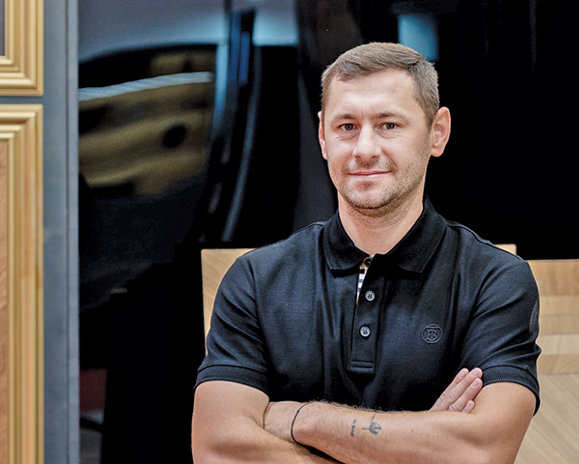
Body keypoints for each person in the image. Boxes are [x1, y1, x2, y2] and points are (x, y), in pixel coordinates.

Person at [192, 42, 540, 464]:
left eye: (389, 125)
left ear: (437, 132)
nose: (365, 149)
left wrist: (305, 419)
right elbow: (218, 449)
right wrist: (419, 443)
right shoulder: (255, 279)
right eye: (347, 126)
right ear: (323, 136)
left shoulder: (494, 280)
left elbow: (480, 450)